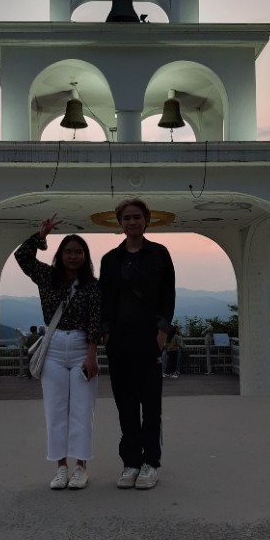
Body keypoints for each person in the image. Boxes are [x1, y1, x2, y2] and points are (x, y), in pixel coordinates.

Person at [15, 216, 101, 490]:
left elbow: (95, 321)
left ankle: (81, 467)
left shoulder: (92, 285)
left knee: (82, 410)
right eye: (68, 251)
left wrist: (91, 355)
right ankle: (61, 467)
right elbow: (22, 257)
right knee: (55, 410)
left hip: (81, 346)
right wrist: (40, 236)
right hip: (53, 347)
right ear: (60, 255)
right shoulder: (47, 277)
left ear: (85, 256)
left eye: (78, 252)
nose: (73, 256)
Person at [99, 198, 175, 490]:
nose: (132, 222)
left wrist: (162, 331)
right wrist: (106, 332)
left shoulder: (159, 254)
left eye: (137, 217)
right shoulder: (110, 260)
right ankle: (130, 462)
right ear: (120, 223)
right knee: (125, 403)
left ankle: (150, 462)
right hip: (119, 338)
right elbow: (106, 299)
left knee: (151, 403)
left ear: (146, 221)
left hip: (148, 336)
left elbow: (168, 294)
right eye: (127, 218)